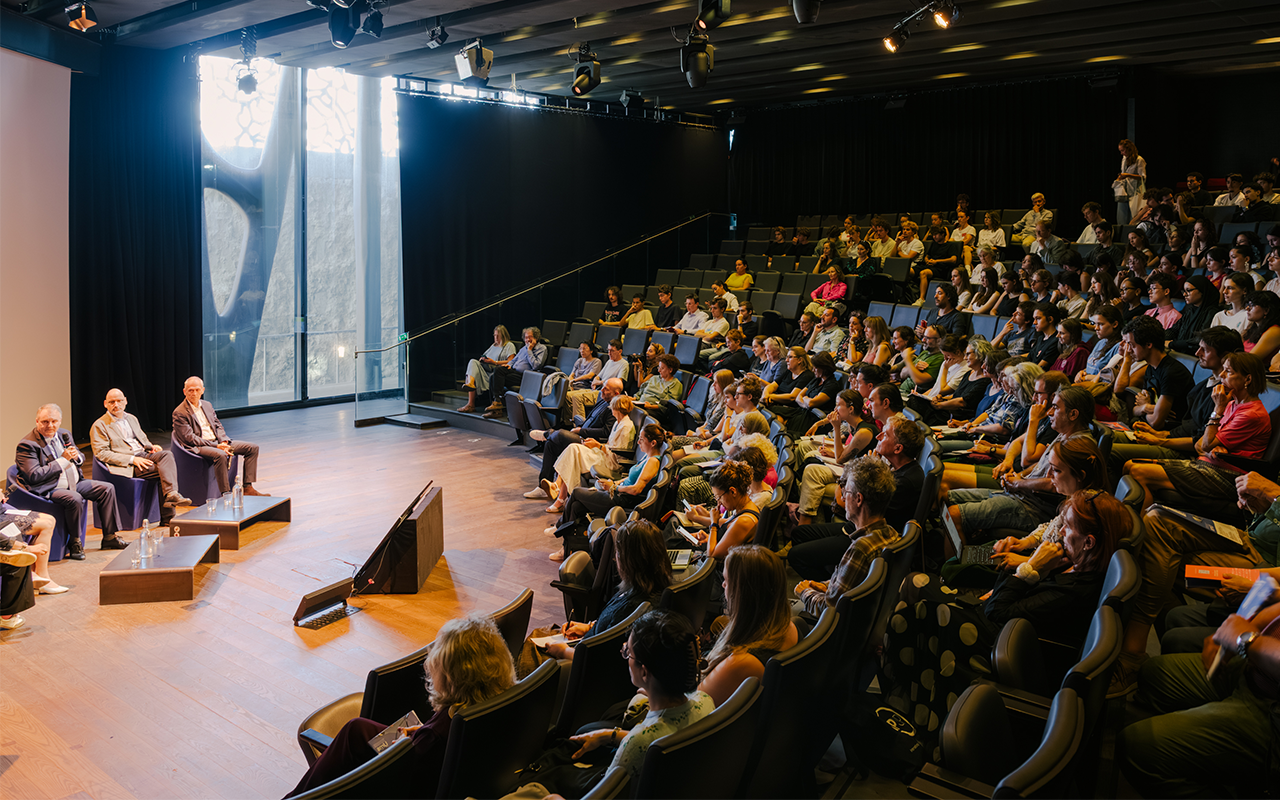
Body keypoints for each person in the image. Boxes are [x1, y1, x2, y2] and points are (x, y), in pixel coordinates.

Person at [885, 490, 1124, 750]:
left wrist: (1029, 567)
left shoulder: (1073, 591)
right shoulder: (1073, 561)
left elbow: (997, 611)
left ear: (1089, 542)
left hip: (997, 642)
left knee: (922, 598)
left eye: (1067, 527)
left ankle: (906, 705)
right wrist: (1027, 554)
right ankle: (904, 695)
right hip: (999, 614)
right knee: (942, 573)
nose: (1060, 531)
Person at [284, 614, 515, 798]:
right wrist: (420, 734)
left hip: (401, 778)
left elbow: (406, 779)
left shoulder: (435, 737)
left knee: (350, 739)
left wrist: (405, 747)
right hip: (428, 754)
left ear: (450, 676)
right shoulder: (495, 704)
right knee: (356, 730)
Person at [1119, 598, 1280, 798]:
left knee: (1139, 745)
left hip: (1273, 714)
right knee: (1154, 674)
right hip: (1258, 670)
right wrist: (1246, 627)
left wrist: (1246, 639)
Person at [567, 609, 713, 785]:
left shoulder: (638, 742)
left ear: (644, 672)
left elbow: (604, 793)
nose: (626, 656)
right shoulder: (705, 702)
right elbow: (659, 739)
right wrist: (610, 735)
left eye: (627, 652)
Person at [1124, 350, 1271, 524]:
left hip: (1227, 476)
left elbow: (1206, 444)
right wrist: (1210, 446)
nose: (1221, 375)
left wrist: (1216, 413)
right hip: (1206, 464)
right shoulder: (1232, 404)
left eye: (1229, 372)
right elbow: (1201, 445)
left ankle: (1134, 535)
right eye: (1222, 370)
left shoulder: (1250, 414)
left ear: (1247, 379)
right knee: (1129, 465)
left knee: (1138, 472)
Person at [946, 385, 1096, 536]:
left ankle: (958, 559)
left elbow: (1053, 483)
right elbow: (1040, 465)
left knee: (953, 515)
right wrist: (1019, 477)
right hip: (1022, 494)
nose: (1049, 412)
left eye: (1055, 408)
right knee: (948, 498)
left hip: (1035, 507)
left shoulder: (1078, 445)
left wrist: (1019, 483)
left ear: (1073, 414)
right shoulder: (1065, 433)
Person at [537, 520, 672, 666]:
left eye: (618, 553)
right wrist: (589, 627)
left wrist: (563, 652)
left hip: (578, 665)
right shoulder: (648, 591)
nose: (615, 558)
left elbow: (597, 660)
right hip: (585, 645)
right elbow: (610, 631)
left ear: (629, 561)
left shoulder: (631, 608)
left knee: (534, 647)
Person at [793, 456, 901, 621]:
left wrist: (805, 592)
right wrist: (827, 585)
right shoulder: (891, 533)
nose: (843, 498)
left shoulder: (861, 548)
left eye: (846, 492)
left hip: (840, 630)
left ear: (858, 499)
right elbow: (848, 585)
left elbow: (830, 609)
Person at [986, 438, 1112, 567]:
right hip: (1036, 558)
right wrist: (1025, 542)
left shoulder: (1085, 510)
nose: (1048, 474)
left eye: (1056, 470)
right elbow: (1053, 527)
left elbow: (1074, 563)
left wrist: (1027, 562)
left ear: (1080, 476)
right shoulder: (1075, 499)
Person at [16, 403, 124, 554]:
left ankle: (110, 537)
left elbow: (79, 458)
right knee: (74, 498)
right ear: (37, 422)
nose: (50, 425)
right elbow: (34, 476)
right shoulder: (27, 445)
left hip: (74, 482)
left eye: (54, 421)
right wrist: (63, 460)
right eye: (45, 422)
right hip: (50, 487)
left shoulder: (63, 434)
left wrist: (76, 457)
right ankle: (74, 542)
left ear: (59, 421)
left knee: (107, 489)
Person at [700, 545, 798, 706]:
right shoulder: (788, 626)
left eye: (726, 580)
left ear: (742, 593)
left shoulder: (739, 664)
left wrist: (649, 691)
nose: (723, 585)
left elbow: (692, 708)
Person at [548, 424, 668, 554]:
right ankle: (568, 548)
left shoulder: (653, 462)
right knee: (576, 506)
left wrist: (614, 487)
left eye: (642, 439)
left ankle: (560, 527)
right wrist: (614, 482)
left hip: (621, 500)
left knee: (577, 492)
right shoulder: (647, 456)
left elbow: (636, 489)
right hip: (618, 493)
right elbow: (630, 479)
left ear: (653, 443)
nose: (638, 442)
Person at [90, 389, 189, 525]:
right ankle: (169, 516)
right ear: (105, 404)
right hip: (127, 463)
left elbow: (142, 439)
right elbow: (101, 453)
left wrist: (151, 447)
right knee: (163, 471)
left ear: (125, 401)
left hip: (143, 454)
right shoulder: (99, 425)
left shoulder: (131, 418)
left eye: (119, 401)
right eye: (112, 402)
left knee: (167, 454)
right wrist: (132, 460)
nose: (116, 404)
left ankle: (171, 495)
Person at [526, 378, 626, 502]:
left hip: (591, 441)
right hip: (584, 433)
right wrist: (581, 425)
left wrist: (581, 431)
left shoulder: (614, 408)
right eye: (603, 387)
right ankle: (543, 488)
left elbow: (606, 432)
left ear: (616, 394)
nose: (602, 390)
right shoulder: (603, 400)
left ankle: (547, 433)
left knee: (561, 435)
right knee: (550, 444)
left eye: (606, 389)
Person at [794, 389, 878, 526]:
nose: (835, 409)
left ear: (850, 409)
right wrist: (819, 424)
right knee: (811, 458)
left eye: (838, 405)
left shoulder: (864, 432)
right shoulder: (854, 426)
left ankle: (804, 523)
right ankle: (811, 523)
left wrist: (837, 428)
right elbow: (847, 452)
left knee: (811, 471)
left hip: (861, 479)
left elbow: (840, 459)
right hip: (852, 468)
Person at [541, 395, 637, 514]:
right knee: (573, 448)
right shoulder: (619, 422)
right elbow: (610, 445)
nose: (610, 409)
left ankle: (560, 494)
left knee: (573, 452)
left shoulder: (626, 426)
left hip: (612, 462)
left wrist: (599, 446)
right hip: (604, 454)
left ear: (616, 408)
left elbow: (619, 454)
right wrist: (597, 444)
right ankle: (559, 491)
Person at [172, 376, 268, 495]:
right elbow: (190, 439)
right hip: (200, 446)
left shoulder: (207, 405)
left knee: (252, 448)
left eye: (197, 390)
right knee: (221, 455)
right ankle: (225, 493)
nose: (194, 393)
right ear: (184, 391)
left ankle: (247, 488)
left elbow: (218, 425)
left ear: (203, 390)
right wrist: (216, 446)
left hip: (217, 442)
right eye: (190, 390)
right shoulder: (179, 412)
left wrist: (223, 441)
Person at [478, 327, 548, 418]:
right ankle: (496, 406)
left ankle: (497, 405)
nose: (528, 340)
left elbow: (536, 366)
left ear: (536, 337)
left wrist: (530, 350)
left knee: (496, 374)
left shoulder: (542, 349)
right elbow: (513, 360)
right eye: (526, 337)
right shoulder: (524, 348)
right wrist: (509, 365)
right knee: (494, 375)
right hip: (514, 372)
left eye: (530, 337)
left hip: (527, 377)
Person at [0, 498, 62, 596]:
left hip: (3, 510)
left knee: (50, 519)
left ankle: (39, 575)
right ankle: (42, 577)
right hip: (1, 521)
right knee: (46, 525)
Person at [458, 325, 518, 413]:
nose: (496, 337)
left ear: (503, 335)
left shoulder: (509, 345)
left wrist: (494, 362)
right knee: (473, 362)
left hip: (496, 374)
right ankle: (470, 385)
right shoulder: (493, 346)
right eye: (494, 335)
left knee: (474, 370)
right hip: (486, 369)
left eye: (498, 335)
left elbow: (511, 361)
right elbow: (484, 356)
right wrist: (483, 360)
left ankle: (471, 403)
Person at [566, 339, 629, 420]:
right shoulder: (609, 361)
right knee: (567, 395)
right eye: (608, 350)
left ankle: (580, 426)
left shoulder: (624, 364)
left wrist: (599, 382)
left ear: (620, 351)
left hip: (605, 392)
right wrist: (595, 382)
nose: (609, 353)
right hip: (597, 390)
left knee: (576, 397)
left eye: (612, 351)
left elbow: (619, 383)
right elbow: (597, 377)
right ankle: (568, 423)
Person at [1167, 275, 1221, 353]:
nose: (1184, 294)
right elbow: (1174, 330)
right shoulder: (1190, 310)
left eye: (1188, 290)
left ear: (1202, 291)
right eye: (1184, 291)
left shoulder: (1212, 312)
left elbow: (1199, 340)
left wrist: (1172, 344)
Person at [917, 225, 960, 305]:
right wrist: (926, 259)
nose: (934, 237)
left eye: (936, 234)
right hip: (930, 265)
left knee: (923, 273)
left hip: (941, 268)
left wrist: (937, 261)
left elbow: (953, 259)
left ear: (942, 234)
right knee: (910, 271)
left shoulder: (951, 245)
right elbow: (928, 255)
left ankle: (921, 298)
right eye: (933, 235)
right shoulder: (934, 244)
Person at [1243, 290, 1280, 372]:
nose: (1247, 308)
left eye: (1251, 305)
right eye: (1247, 305)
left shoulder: (1275, 331)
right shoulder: (1253, 328)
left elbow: (1249, 360)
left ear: (1266, 310)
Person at [1115, 139, 1147, 224]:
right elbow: (1123, 172)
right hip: (1124, 191)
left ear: (1129, 149)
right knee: (1121, 217)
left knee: (1134, 217)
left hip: (1135, 192)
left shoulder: (1139, 160)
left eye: (1122, 150)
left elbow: (1143, 177)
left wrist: (1128, 175)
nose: (1121, 153)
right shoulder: (1124, 159)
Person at [1026, 303, 1062, 369]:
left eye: (1038, 318)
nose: (1034, 322)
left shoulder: (1056, 340)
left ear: (1050, 319)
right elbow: (1029, 356)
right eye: (1034, 319)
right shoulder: (1040, 338)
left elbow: (1039, 368)